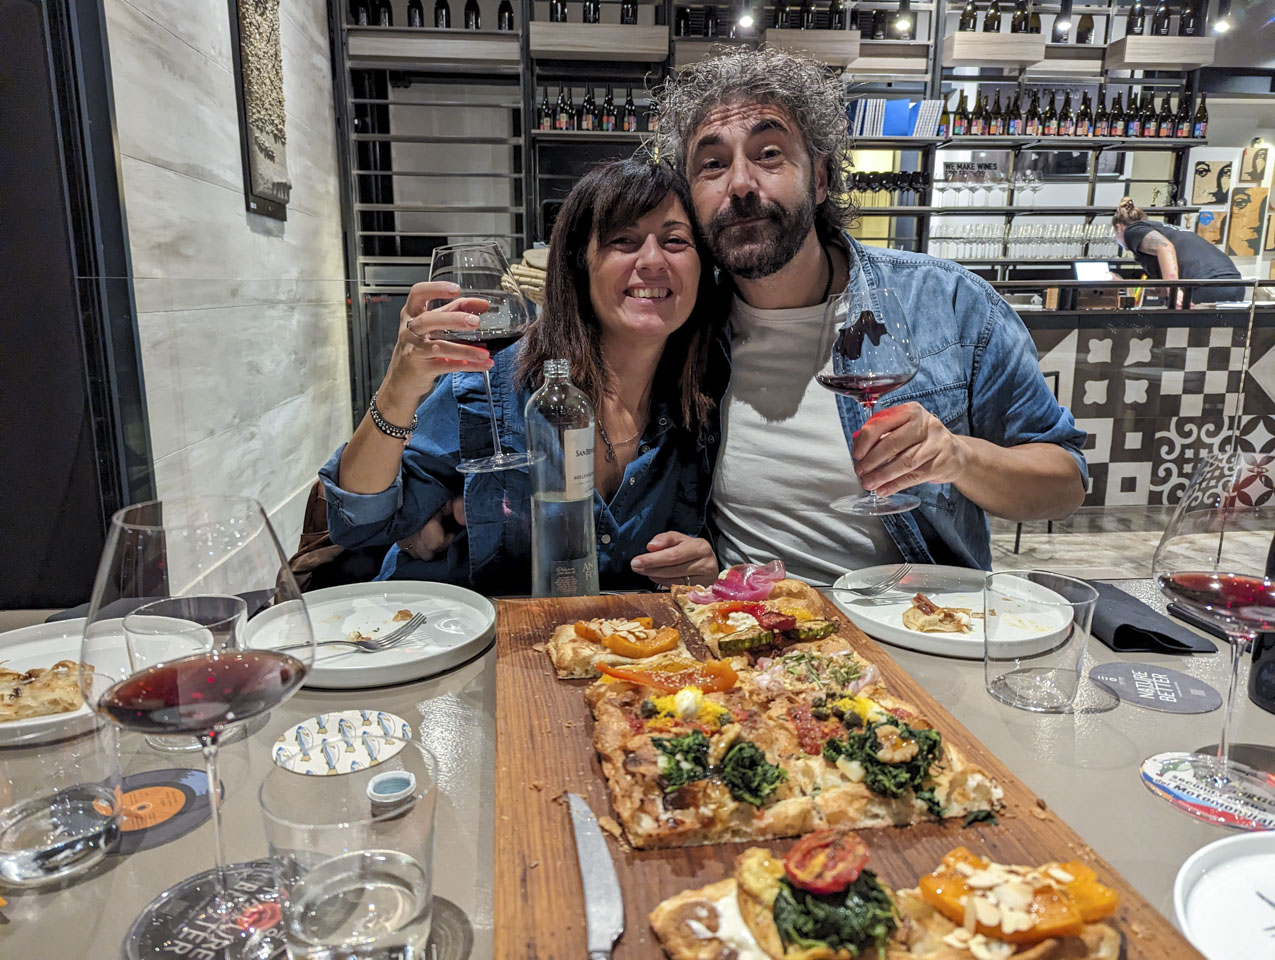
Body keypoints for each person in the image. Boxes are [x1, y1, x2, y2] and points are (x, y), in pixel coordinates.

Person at [652, 47, 1088, 581]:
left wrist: (959, 458)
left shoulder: (947, 302)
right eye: (712, 164)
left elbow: (1066, 484)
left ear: (819, 181)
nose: (740, 184)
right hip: (751, 633)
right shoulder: (682, 326)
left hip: (917, 627)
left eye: (769, 154)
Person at [319, 160, 727, 593]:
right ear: (579, 265)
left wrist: (704, 567)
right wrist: (398, 388)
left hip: (598, 648)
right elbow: (361, 524)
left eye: (675, 240)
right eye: (622, 240)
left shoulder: (704, 402)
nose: (652, 260)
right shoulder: (493, 385)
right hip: (451, 636)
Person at [1112, 197, 1245, 306]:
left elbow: (1165, 247)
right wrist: (1125, 286)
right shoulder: (1165, 229)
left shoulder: (1131, 231)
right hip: (1235, 284)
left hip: (1207, 284)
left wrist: (1173, 291)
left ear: (1118, 228)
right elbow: (1162, 289)